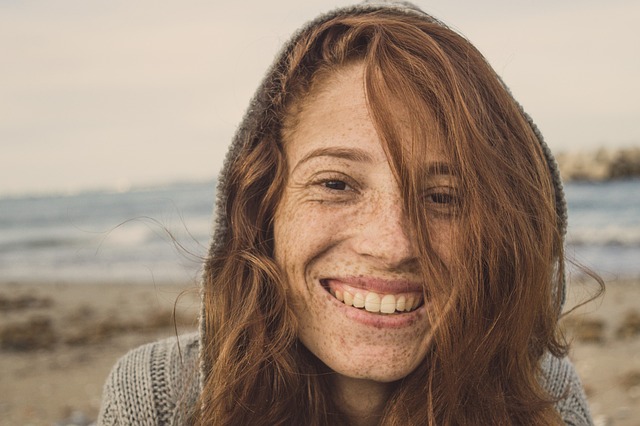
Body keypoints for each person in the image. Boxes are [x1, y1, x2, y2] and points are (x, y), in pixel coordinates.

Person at [98, 1, 597, 424]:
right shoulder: (159, 398)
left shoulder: (542, 397)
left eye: (443, 197)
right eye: (336, 184)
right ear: (261, 208)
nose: (392, 245)